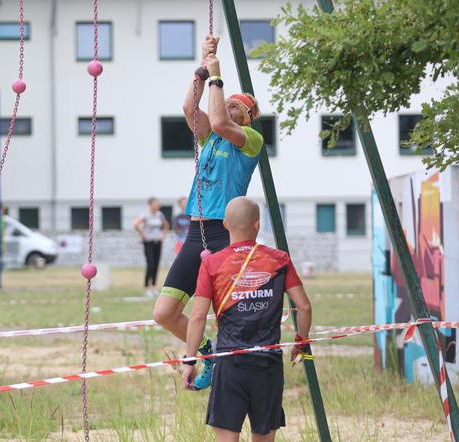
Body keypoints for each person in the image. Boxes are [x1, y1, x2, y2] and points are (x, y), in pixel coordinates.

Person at [153, 35, 264, 390]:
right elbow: (190, 109)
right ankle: (206, 353)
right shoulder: (211, 137)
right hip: (195, 232)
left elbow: (218, 121)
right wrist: (201, 73)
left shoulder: (249, 140)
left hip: (225, 234)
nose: (231, 108)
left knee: (229, 314)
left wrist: (217, 77)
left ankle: (243, 373)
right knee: (164, 313)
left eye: (239, 108)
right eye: (228, 103)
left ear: (248, 118)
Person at [182, 197, 313, 442]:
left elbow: (198, 316)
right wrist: (301, 341)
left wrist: (189, 361)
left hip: (230, 364)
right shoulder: (279, 259)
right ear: (257, 225)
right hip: (268, 363)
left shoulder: (211, 262)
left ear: (225, 224)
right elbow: (304, 306)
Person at [133, 198, 169, 297]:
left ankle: (153, 287)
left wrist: (163, 235)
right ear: (150, 204)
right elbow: (135, 224)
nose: (158, 205)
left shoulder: (159, 214)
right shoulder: (145, 215)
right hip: (148, 242)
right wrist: (142, 234)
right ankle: (147, 288)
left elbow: (166, 225)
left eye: (158, 203)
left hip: (158, 242)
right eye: (155, 203)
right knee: (150, 264)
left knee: (156, 264)